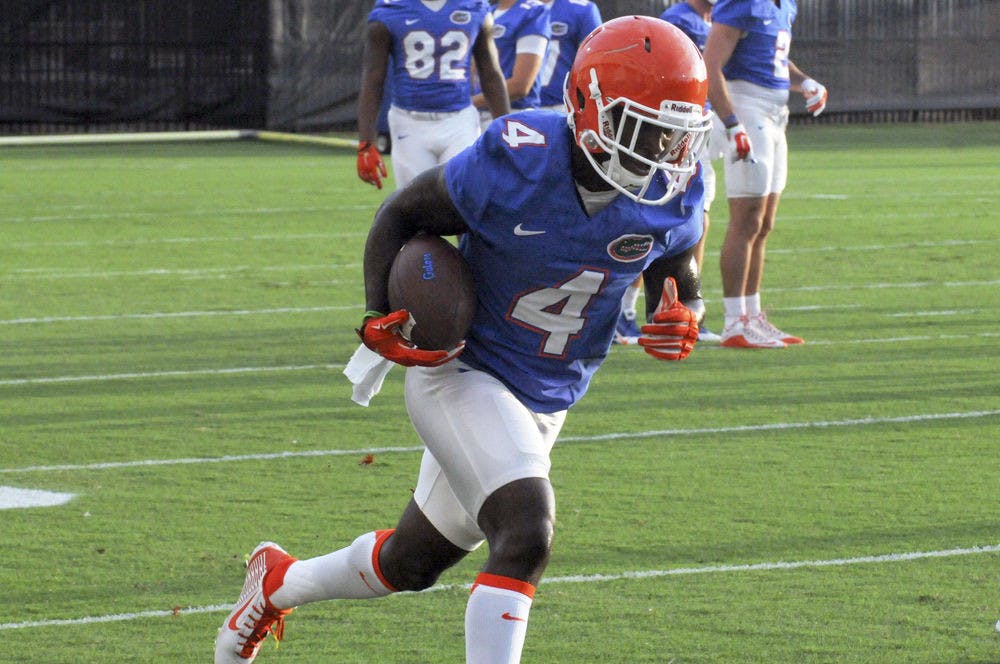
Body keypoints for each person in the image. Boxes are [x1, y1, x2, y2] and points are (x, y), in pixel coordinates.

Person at [215, 16, 713, 664]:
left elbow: (676, 273)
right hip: (463, 368)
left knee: (412, 561)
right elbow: (402, 214)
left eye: (675, 135)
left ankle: (278, 584)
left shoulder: (675, 189)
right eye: (646, 130)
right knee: (526, 533)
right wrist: (376, 316)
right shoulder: (521, 156)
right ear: (589, 110)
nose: (662, 152)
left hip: (547, 396)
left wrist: (685, 312)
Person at [703, 0, 828, 348]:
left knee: (764, 222)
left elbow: (772, 58)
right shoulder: (743, 2)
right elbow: (710, 64)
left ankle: (753, 315)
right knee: (746, 220)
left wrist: (805, 82)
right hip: (746, 108)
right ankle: (733, 321)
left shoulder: (784, 5)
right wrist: (730, 122)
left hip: (776, 114)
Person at [356, 0, 512, 190]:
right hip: (409, 122)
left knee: (464, 198)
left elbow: (491, 75)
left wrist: (507, 131)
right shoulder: (390, 9)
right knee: (415, 204)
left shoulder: (474, 7)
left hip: (459, 120)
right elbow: (373, 79)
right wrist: (366, 141)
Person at [659, 0, 723, 344]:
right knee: (662, 216)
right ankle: (627, 308)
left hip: (700, 124)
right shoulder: (678, 19)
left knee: (699, 217)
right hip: (678, 126)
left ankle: (686, 307)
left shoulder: (714, 18)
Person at [472, 0, 551, 129]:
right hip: (476, 115)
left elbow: (520, 86)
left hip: (515, 114)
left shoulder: (533, 11)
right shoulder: (486, 11)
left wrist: (467, 104)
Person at [536, 0, 603, 111]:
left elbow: (594, 63)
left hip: (564, 105)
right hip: (518, 104)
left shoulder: (581, 9)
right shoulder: (511, 9)